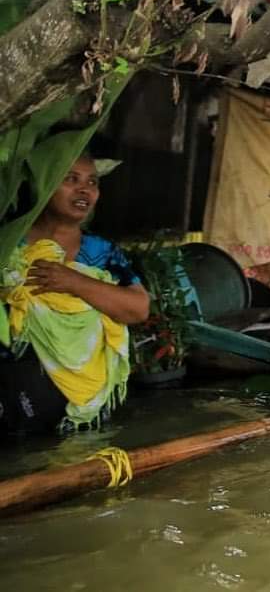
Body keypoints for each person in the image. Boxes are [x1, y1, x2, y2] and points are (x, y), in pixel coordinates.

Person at [0, 154, 149, 433]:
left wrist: (73, 282)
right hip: (12, 395)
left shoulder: (101, 252)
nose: (85, 190)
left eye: (92, 182)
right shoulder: (9, 242)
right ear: (44, 181)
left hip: (82, 407)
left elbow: (138, 308)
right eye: (71, 179)